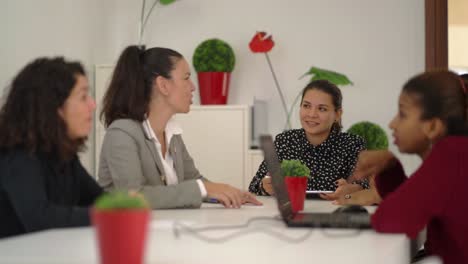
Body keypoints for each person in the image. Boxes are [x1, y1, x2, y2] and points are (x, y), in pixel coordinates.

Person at [98, 46, 261, 209]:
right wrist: (204, 189)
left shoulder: (171, 132)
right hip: (126, 232)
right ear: (163, 85)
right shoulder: (122, 133)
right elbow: (134, 197)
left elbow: (192, 180)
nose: (193, 87)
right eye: (186, 78)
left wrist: (227, 192)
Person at [350, 71, 468, 264]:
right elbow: (414, 205)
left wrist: (389, 164)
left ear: (432, 127)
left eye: (402, 114)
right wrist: (390, 167)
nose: (392, 123)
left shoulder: (449, 157)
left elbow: (388, 220)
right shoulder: (457, 153)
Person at [0, 57, 103, 238]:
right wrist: (109, 214)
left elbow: (99, 199)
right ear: (54, 107)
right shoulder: (18, 155)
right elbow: (40, 218)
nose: (92, 105)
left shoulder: (64, 155)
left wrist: (124, 203)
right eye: (83, 96)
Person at [249, 80, 369, 199]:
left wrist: (351, 191)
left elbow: (368, 188)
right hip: (291, 212)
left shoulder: (353, 144)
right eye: (306, 106)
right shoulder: (284, 141)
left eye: (322, 109)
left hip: (334, 214)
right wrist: (265, 186)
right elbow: (254, 185)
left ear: (337, 114)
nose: (312, 114)